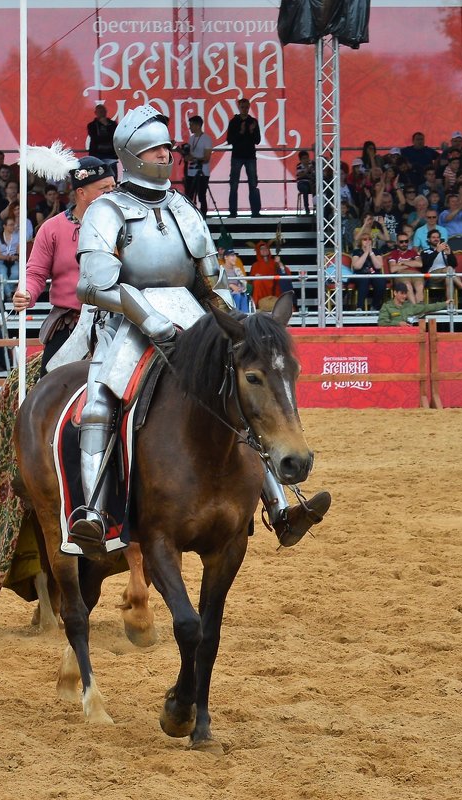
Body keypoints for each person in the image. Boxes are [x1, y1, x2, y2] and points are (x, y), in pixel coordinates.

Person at [71, 104, 328, 551]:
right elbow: (94, 285)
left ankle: (279, 505)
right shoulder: (105, 210)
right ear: (131, 155)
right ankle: (94, 510)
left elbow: (212, 283)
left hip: (194, 319)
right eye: (155, 150)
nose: (166, 156)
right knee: (100, 400)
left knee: (238, 397)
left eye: (167, 148)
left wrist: (239, 326)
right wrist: (150, 321)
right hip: (128, 322)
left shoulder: (184, 209)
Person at [12, 152, 116, 372]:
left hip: (118, 322)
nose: (111, 193)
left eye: (113, 187)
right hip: (70, 324)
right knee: (50, 390)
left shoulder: (126, 226)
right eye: (104, 189)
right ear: (81, 192)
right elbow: (36, 273)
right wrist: (26, 293)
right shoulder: (52, 228)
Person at [225, 97, 262, 217]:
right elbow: (229, 140)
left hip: (250, 156)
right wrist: (240, 132)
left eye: (246, 107)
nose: (245, 109)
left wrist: (251, 132)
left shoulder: (253, 121)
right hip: (237, 155)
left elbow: (257, 140)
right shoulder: (234, 122)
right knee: (234, 184)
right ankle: (233, 212)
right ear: (239, 107)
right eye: (242, 107)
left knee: (253, 183)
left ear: (249, 107)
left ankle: (255, 212)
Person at [377, 281, 452, 326]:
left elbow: (427, 307)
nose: (404, 296)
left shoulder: (409, 306)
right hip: (392, 337)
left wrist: (445, 303)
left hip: (408, 336)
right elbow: (382, 322)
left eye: (405, 294)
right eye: (402, 293)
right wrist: (398, 323)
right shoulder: (387, 306)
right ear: (395, 293)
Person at [349, 231, 387, 312]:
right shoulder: (356, 252)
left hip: (374, 274)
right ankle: (359, 307)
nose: (367, 241)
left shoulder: (376, 251)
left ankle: (374, 306)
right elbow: (357, 266)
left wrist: (371, 253)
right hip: (360, 274)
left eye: (369, 239)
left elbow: (378, 266)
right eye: (365, 239)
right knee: (364, 280)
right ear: (360, 242)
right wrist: (366, 252)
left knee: (381, 282)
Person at [182, 114, 211, 215]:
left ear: (198, 125)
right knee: (189, 196)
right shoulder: (191, 138)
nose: (189, 127)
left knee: (201, 196)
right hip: (191, 172)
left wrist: (193, 158)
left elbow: (207, 158)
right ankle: (190, 216)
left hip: (202, 172)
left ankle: (203, 216)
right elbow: (189, 154)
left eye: (191, 125)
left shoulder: (206, 139)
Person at [385, 233, 425, 304]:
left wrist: (403, 262)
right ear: (397, 242)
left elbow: (419, 264)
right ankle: (415, 308)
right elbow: (393, 269)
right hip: (401, 274)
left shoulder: (413, 252)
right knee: (407, 286)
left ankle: (419, 309)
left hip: (415, 274)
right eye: (401, 242)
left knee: (420, 286)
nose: (404, 243)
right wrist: (411, 263)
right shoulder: (394, 253)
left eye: (406, 241)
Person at [0, 215, 21, 303]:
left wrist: (14, 257)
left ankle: (8, 293)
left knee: (16, 273)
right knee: (2, 274)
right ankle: (9, 295)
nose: (13, 226)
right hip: (1, 260)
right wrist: (6, 257)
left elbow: (19, 251)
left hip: (14, 260)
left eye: (13, 224)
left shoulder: (18, 236)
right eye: (11, 225)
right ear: (4, 226)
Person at [249, 239, 288, 309]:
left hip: (274, 288)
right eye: (261, 248)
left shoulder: (275, 262)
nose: (264, 249)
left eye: (266, 248)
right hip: (262, 289)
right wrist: (255, 277)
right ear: (258, 251)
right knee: (257, 282)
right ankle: (256, 306)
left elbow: (285, 272)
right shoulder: (255, 265)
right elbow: (250, 281)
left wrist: (279, 263)